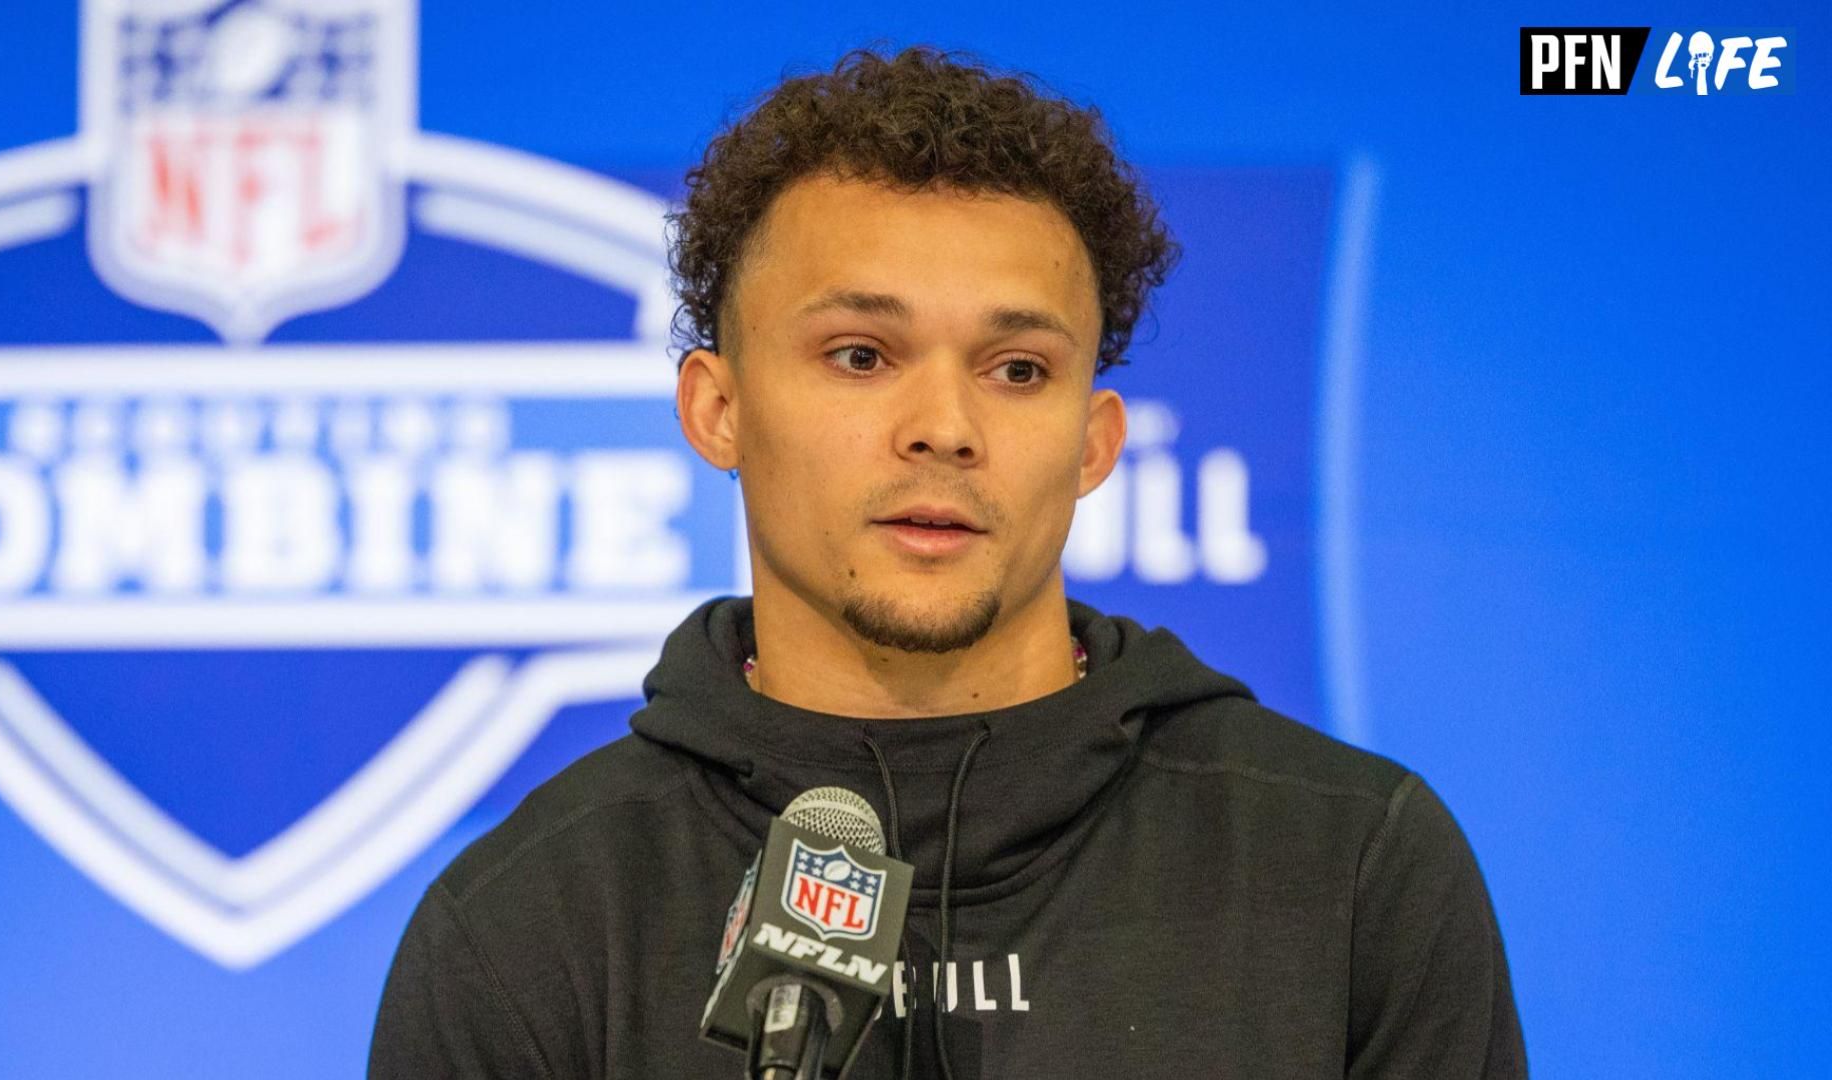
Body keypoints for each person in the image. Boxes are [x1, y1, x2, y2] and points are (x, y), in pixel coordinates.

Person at [369, 45, 1526, 1079]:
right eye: (862, 354)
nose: (945, 426)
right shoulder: (530, 923)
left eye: (1017, 368)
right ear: (717, 410)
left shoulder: (1350, 866)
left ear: (1094, 441)